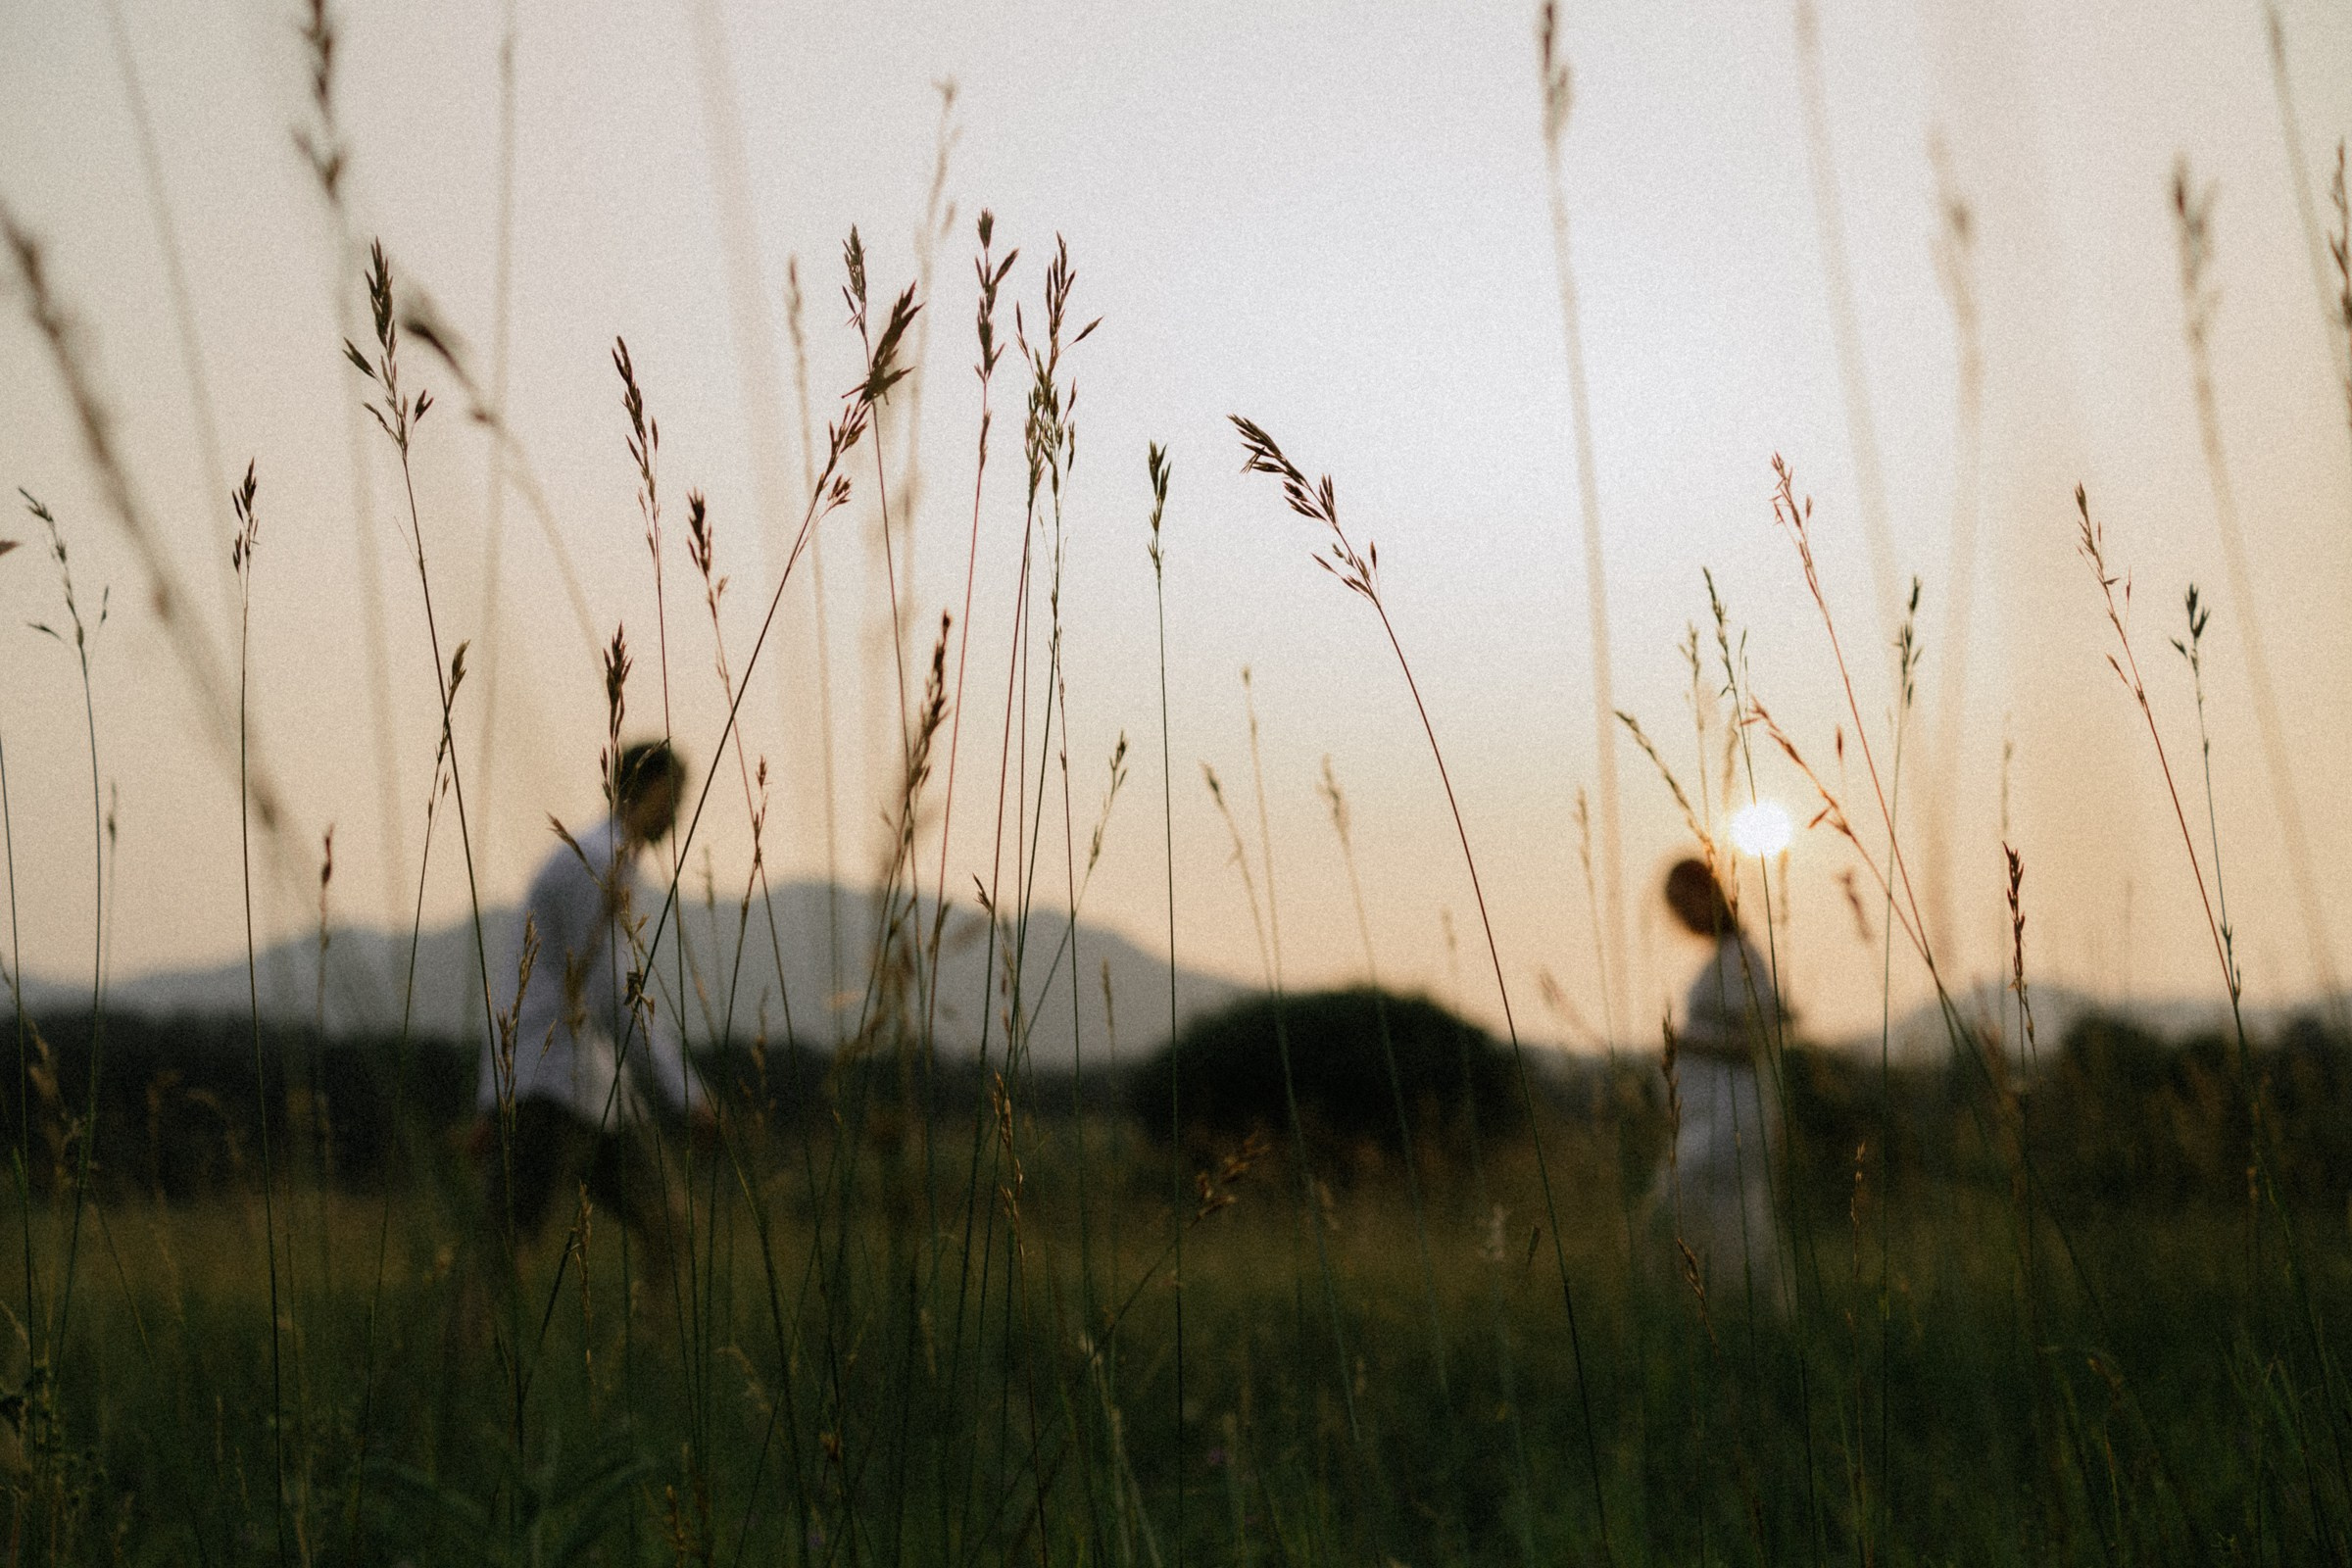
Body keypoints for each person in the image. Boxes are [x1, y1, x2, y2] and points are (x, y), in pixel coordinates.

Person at [476, 740, 708, 1277]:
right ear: (649, 790)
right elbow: (611, 996)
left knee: (669, 1227)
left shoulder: (602, 858)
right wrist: (686, 1096)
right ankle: (463, 1357)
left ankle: (656, 1357)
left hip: (588, 1088)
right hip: (550, 1088)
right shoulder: (599, 860)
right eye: (674, 796)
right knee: (505, 1252)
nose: (677, 813)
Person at [1659, 855, 1786, 1307]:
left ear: (1702, 896)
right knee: (1724, 1221)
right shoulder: (1725, 956)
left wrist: (1686, 1043)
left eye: (1679, 903)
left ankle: (1740, 1309)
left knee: (1683, 1207)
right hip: (1710, 1114)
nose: (1676, 917)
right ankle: (1732, 1308)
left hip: (1733, 1117)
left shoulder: (1741, 956)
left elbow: (1760, 1040)